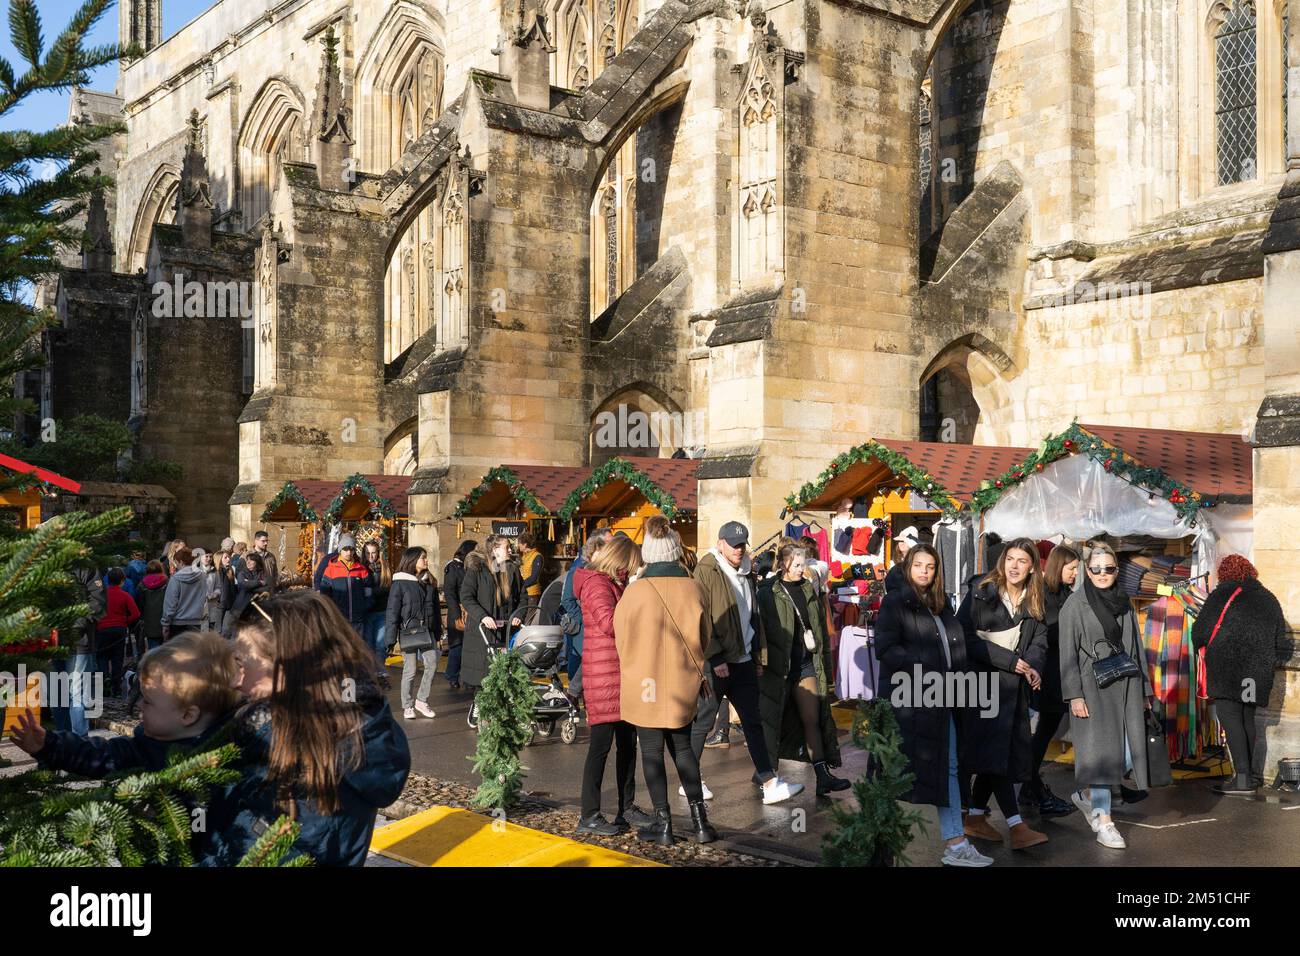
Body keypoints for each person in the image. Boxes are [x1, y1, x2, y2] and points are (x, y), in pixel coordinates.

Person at [199, 590, 411, 866]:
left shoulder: (318, 754)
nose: (235, 681)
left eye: (242, 664)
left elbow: (262, 854)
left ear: (288, 669)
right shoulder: (273, 727)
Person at [875, 543, 991, 866]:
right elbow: (885, 649)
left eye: (930, 567)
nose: (924, 572)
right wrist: (923, 669)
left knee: (949, 767)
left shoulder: (941, 605)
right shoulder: (896, 601)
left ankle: (955, 844)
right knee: (893, 772)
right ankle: (877, 839)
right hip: (910, 700)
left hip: (944, 698)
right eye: (919, 566)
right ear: (908, 567)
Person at [614, 519, 718, 844]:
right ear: (674, 551)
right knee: (684, 748)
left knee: (651, 750)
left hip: (644, 681)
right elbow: (705, 636)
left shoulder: (634, 592)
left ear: (648, 553)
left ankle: (664, 824)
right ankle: (701, 823)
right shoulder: (693, 587)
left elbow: (621, 638)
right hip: (682, 681)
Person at [12, 630, 240, 774]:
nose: (139, 705)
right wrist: (49, 744)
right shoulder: (144, 746)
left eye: (149, 701)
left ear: (188, 715)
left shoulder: (227, 758)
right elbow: (98, 754)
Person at [693, 520, 803, 804]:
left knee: (753, 721)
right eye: (733, 544)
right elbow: (702, 616)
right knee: (704, 722)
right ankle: (690, 779)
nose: (739, 549)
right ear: (720, 543)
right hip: (718, 661)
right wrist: (714, 656)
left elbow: (752, 616)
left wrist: (756, 655)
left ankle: (769, 781)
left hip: (742, 659)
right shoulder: (707, 569)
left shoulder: (745, 570)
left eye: (742, 544)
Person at [957, 537, 1050, 850]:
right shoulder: (981, 592)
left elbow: (1039, 642)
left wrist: (1033, 666)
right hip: (981, 686)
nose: (1014, 566)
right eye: (1010, 558)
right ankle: (1016, 825)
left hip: (1014, 692)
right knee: (996, 755)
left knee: (997, 755)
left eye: (1022, 561)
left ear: (1032, 567)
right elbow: (964, 639)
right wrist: (1012, 661)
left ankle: (975, 818)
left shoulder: (1035, 598)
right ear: (1002, 561)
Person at [1059, 541, 1154, 850]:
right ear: (1088, 570)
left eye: (1109, 569)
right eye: (1096, 568)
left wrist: (1145, 691)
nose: (1102, 574)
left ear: (1116, 571)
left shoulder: (1123, 601)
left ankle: (1087, 796)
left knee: (1129, 752)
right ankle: (1104, 821)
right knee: (1101, 756)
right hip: (1092, 689)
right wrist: (1074, 694)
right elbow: (1067, 655)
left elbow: (1136, 648)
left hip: (1125, 686)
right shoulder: (1074, 605)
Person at [573, 533, 653, 836]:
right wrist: (633, 594)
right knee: (600, 747)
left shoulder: (613, 583)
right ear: (620, 561)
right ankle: (589, 814)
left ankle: (626, 807)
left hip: (620, 674)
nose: (632, 571)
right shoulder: (596, 583)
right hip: (604, 676)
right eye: (630, 566)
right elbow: (609, 623)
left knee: (627, 746)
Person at [1192, 554, 1292, 795]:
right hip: (1255, 672)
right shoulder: (1268, 598)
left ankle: (1243, 779)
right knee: (1247, 718)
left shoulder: (1220, 595)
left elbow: (1200, 633)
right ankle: (1249, 775)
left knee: (1230, 718)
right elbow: (1283, 644)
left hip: (1227, 669)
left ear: (1225, 574)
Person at [756, 544, 850, 796]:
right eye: (797, 565)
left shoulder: (808, 589)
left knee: (813, 719)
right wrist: (760, 660)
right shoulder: (768, 592)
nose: (802, 569)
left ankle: (822, 775)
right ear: (783, 564)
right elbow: (760, 629)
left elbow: (819, 631)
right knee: (771, 722)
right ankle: (765, 775)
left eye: (804, 564)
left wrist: (827, 674)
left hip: (806, 664)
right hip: (779, 668)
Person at [1023, 544, 1080, 816]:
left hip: (1061, 671)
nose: (1075, 573)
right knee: (1042, 731)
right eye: (1072, 568)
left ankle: (1027, 786)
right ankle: (1030, 785)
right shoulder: (1043, 594)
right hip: (1046, 672)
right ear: (1059, 566)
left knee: (1045, 731)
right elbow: (1046, 633)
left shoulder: (1067, 594)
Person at [459, 535, 525, 692]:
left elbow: (523, 596)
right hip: (482, 631)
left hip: (505, 631)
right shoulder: (477, 569)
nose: (510, 550)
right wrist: (482, 616)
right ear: (494, 550)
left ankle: (498, 714)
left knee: (503, 678)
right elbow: (466, 596)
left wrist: (518, 615)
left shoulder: (511, 569)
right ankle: (479, 712)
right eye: (506, 547)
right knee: (483, 678)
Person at [387, 547, 443, 720]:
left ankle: (421, 700)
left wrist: (438, 631)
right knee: (410, 670)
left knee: (432, 664)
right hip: (408, 631)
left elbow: (435, 608)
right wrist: (390, 639)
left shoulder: (428, 580)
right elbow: (392, 611)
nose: (426, 561)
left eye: (426, 558)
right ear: (412, 561)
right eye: (423, 558)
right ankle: (407, 705)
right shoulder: (400, 583)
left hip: (427, 631)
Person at [560, 529, 612, 696]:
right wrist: (584, 619)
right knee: (580, 665)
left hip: (599, 628)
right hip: (583, 628)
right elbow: (567, 600)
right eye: (608, 543)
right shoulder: (578, 569)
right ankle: (573, 703)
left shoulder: (607, 570)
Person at [95, 568, 141, 699]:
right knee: (117, 658)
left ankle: (104, 681)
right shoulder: (125, 595)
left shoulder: (100, 595)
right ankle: (116, 687)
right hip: (119, 629)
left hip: (102, 629)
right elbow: (136, 613)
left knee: (101, 656)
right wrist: (125, 621)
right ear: (122, 581)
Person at [314, 534, 372, 635]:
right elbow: (325, 594)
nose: (348, 552)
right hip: (339, 620)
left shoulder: (361, 569)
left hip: (358, 620)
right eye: (345, 549)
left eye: (351, 549)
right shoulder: (330, 569)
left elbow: (368, 593)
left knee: (357, 649)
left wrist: (364, 607)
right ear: (340, 550)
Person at [441, 539, 477, 690]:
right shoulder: (452, 567)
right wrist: (456, 615)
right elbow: (449, 593)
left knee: (470, 647)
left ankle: (468, 677)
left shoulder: (470, 566)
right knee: (457, 646)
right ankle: (452, 675)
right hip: (459, 612)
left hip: (470, 611)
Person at [362, 540, 392, 682]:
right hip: (367, 612)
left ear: (378, 553)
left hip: (381, 610)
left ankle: (380, 670)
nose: (371, 556)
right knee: (368, 643)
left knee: (380, 644)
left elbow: (389, 588)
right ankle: (370, 671)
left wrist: (373, 591)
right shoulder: (361, 568)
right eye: (368, 553)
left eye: (374, 552)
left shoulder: (384, 567)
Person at [161, 548, 207, 641]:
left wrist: (165, 624)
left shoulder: (175, 579)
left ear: (181, 562)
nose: (176, 565)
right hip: (195, 622)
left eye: (176, 563)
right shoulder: (202, 576)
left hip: (177, 623)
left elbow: (170, 604)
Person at [137, 561, 169, 650]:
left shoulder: (142, 584)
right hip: (165, 619)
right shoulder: (167, 582)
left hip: (149, 621)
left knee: (153, 648)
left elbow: (140, 603)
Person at [884, 525, 920, 594]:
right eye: (900, 540)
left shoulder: (918, 562)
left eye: (904, 541)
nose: (901, 543)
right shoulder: (894, 562)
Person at [518, 534, 544, 620]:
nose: (518, 545)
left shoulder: (537, 556)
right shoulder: (524, 556)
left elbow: (534, 577)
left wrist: (521, 585)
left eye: (519, 543)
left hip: (532, 593)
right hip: (523, 593)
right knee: (521, 617)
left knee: (529, 619)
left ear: (525, 544)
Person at [251, 530, 280, 595]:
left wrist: (276, 582)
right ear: (256, 541)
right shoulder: (247, 556)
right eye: (263, 541)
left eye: (267, 541)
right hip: (255, 594)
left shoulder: (271, 556)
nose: (266, 543)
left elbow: (275, 572)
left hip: (270, 592)